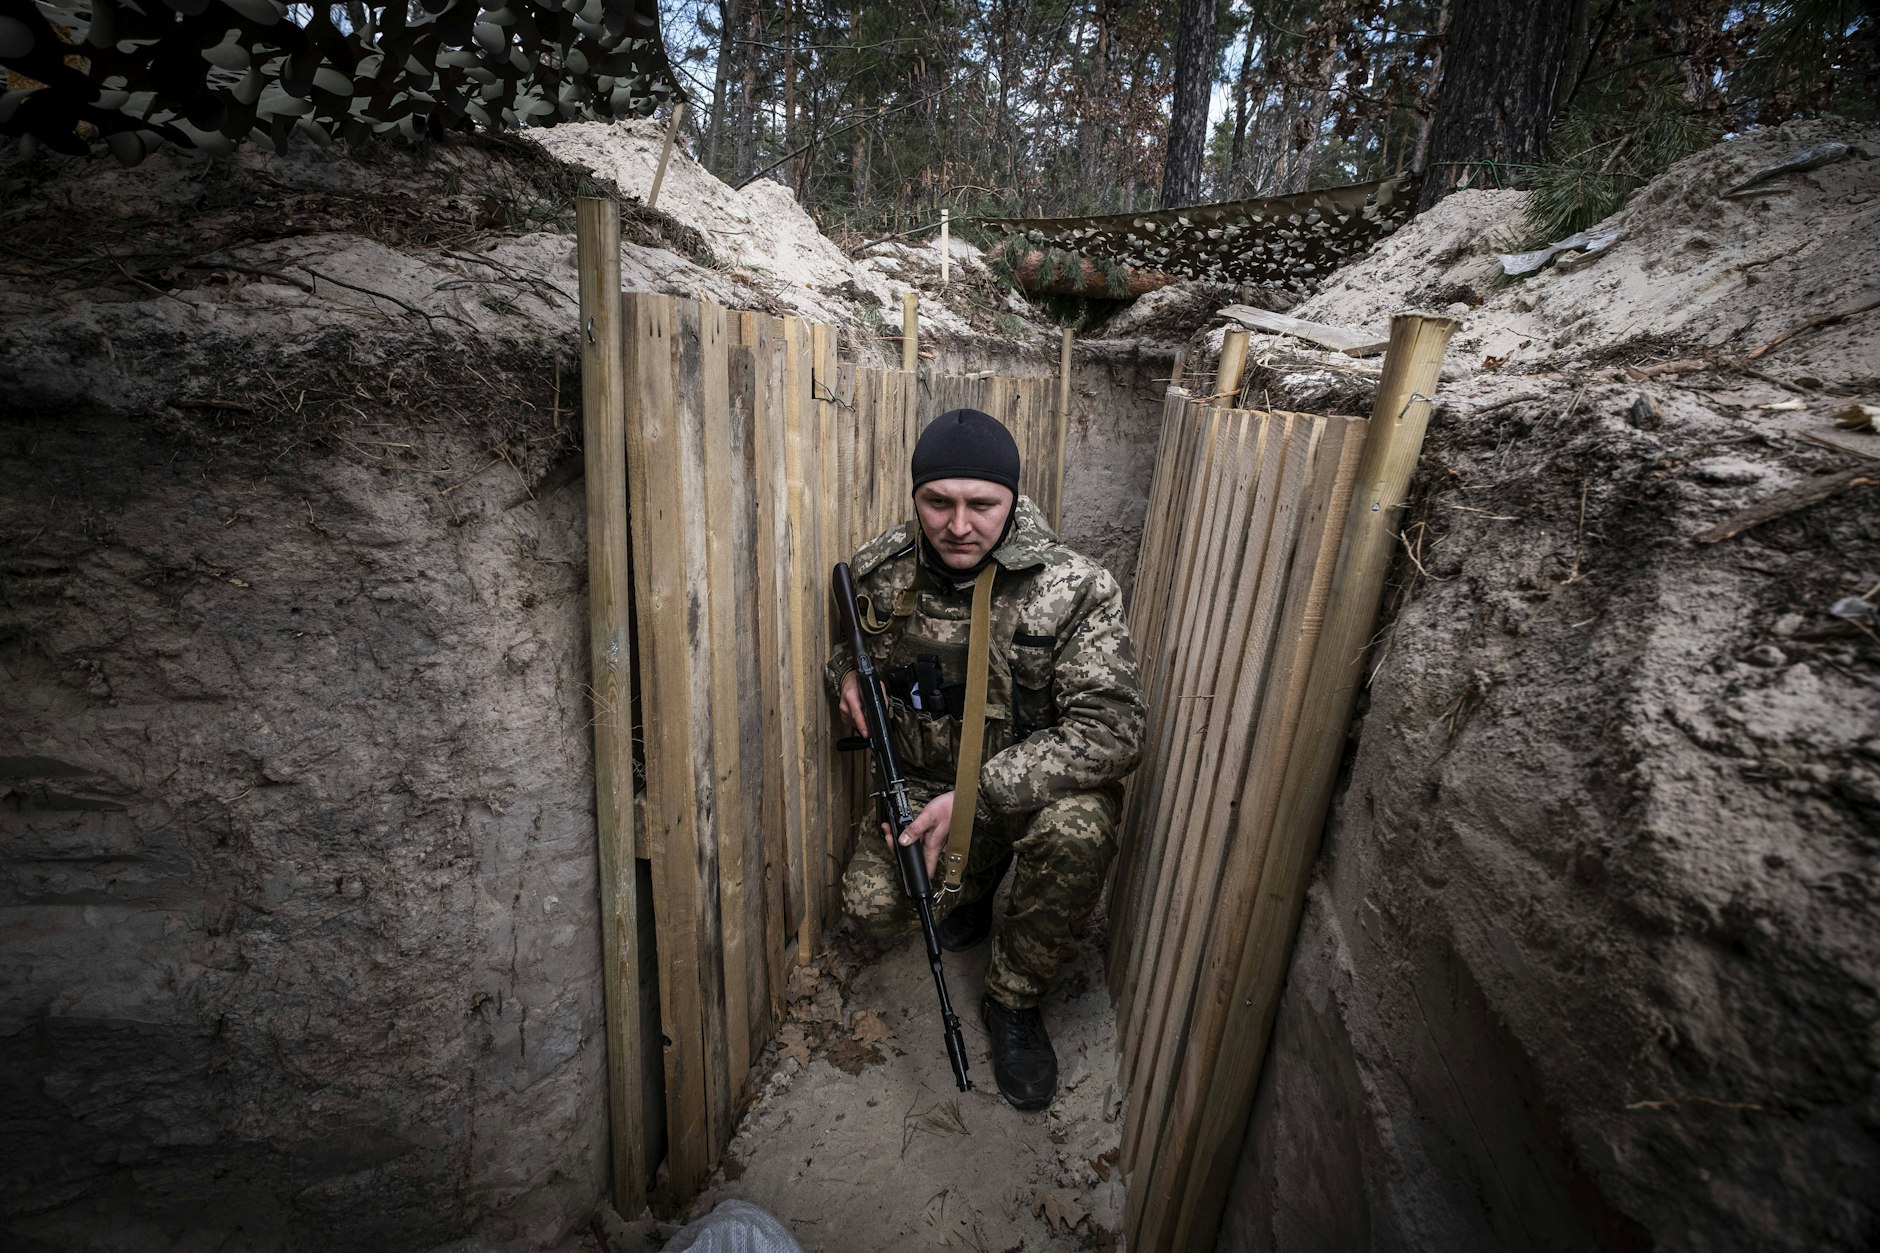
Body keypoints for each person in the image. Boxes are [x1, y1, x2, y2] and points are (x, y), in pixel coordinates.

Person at [826, 407, 1146, 1110]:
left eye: (982, 504)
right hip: (919, 785)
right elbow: (855, 647)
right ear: (916, 497)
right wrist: (846, 672)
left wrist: (975, 798)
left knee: (1078, 829)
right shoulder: (884, 569)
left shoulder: (1073, 588)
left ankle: (1014, 998)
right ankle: (973, 887)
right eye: (938, 501)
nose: (958, 524)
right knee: (871, 910)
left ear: (1013, 497)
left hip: (1024, 793)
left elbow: (1116, 728)